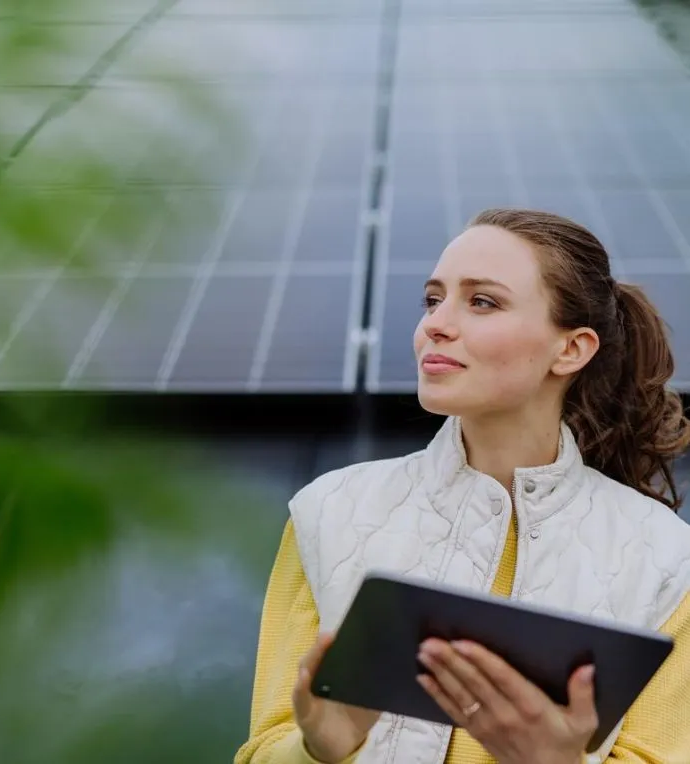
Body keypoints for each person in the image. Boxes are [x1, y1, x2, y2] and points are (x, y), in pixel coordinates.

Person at [234, 208, 690, 764]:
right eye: (433, 299)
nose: (435, 325)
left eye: (482, 301)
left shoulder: (666, 559)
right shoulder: (328, 511)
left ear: (571, 349)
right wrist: (321, 749)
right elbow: (262, 748)